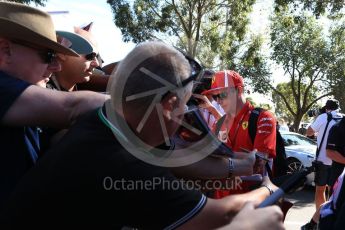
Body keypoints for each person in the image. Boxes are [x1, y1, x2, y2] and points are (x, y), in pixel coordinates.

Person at [1, 41, 284, 230]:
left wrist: (237, 165)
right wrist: (269, 192)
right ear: (170, 104)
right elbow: (219, 215)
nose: (187, 113)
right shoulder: (127, 165)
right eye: (185, 104)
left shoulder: (101, 123)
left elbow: (173, 158)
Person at [0, 1, 107, 209]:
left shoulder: (23, 101)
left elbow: (60, 138)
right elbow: (71, 108)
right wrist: (140, 104)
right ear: (6, 51)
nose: (57, 65)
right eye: (49, 55)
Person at [200, 70, 277, 197]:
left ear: (239, 90)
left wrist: (220, 157)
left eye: (222, 95)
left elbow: (257, 164)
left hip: (252, 201)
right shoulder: (219, 123)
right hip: (221, 200)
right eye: (215, 96)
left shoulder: (263, 117)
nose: (218, 101)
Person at [302, 99, 343, 230]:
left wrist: (315, 120)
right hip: (339, 162)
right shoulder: (342, 117)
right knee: (335, 194)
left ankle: (320, 219)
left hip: (324, 160)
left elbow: (308, 132)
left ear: (326, 108)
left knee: (320, 190)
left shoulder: (323, 116)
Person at [47, 27, 101, 92]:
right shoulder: (41, 92)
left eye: (97, 57)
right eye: (91, 56)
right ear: (62, 53)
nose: (97, 63)